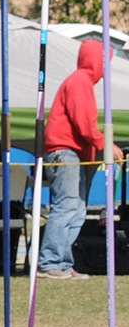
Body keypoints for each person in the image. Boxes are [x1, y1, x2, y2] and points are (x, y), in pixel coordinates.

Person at [40, 38, 119, 279]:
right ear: (97, 60)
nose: (107, 66)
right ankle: (49, 262)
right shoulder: (80, 82)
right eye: (105, 60)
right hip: (65, 151)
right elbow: (85, 125)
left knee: (77, 210)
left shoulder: (84, 83)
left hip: (76, 153)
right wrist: (105, 144)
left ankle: (63, 264)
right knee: (66, 207)